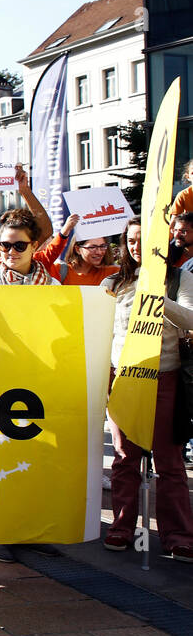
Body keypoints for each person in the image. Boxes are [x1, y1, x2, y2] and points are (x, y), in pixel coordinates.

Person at [102, 218, 193, 562]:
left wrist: (158, 301)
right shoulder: (114, 283)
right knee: (126, 458)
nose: (137, 246)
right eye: (132, 240)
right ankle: (122, 527)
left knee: (169, 462)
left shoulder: (181, 278)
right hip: (124, 379)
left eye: (144, 240)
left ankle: (178, 535)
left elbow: (192, 320)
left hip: (165, 379)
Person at [0, 208, 56, 287]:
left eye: (19, 246)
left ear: (34, 246)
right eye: (5, 245)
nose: (11, 252)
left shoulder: (52, 286)